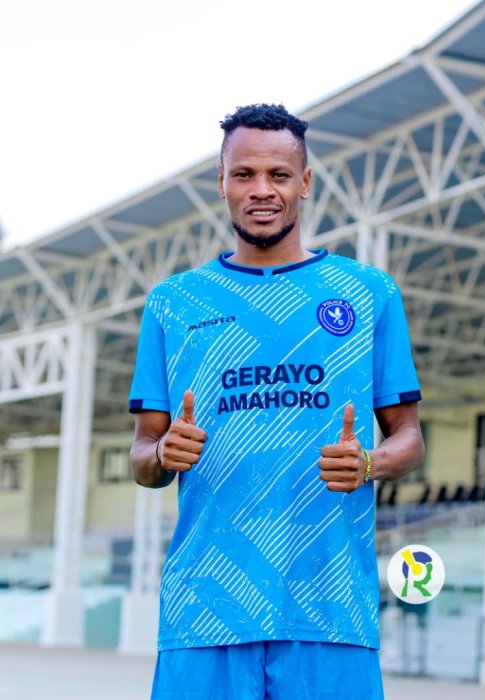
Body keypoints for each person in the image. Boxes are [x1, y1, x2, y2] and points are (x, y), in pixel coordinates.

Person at [129, 103, 425, 700]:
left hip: (330, 608)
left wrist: (370, 462)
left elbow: (410, 439)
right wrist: (162, 453)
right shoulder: (173, 303)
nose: (261, 190)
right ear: (222, 182)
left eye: (279, 175)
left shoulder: (367, 293)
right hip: (205, 608)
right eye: (244, 174)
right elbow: (141, 457)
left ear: (305, 182)